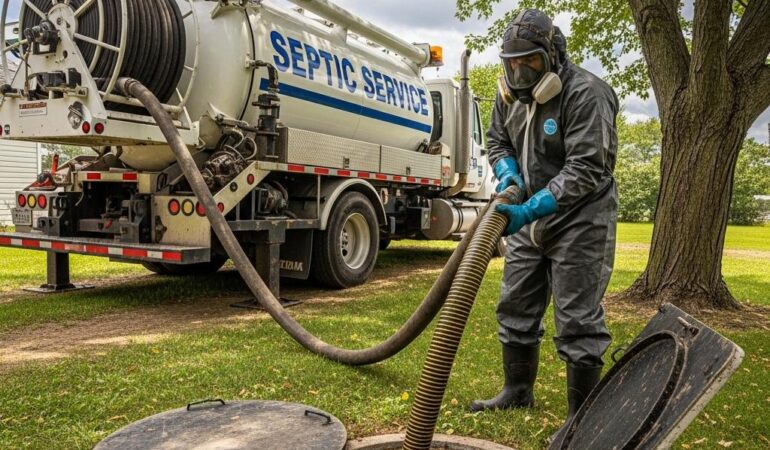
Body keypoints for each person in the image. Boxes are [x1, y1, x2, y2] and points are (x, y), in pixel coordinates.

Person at [469, 8, 619, 436]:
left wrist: (529, 209)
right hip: (528, 219)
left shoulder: (586, 93)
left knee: (577, 317)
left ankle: (580, 418)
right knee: (515, 304)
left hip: (580, 220)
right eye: (511, 63)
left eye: (529, 61)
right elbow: (498, 142)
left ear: (552, 55)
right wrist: (507, 174)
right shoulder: (507, 98)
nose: (519, 72)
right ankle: (517, 391)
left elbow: (587, 168)